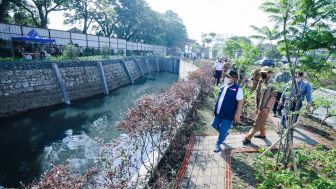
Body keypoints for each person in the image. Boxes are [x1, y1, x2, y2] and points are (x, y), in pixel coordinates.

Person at [243, 66, 277, 145]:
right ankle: (262, 134)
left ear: (270, 74)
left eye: (265, 73)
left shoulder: (272, 83)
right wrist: (257, 105)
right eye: (262, 73)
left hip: (265, 107)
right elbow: (258, 92)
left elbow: (273, 97)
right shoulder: (261, 80)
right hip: (259, 105)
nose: (263, 74)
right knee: (260, 120)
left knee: (257, 122)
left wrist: (267, 107)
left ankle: (248, 138)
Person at [212, 70, 244, 152]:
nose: (226, 78)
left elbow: (240, 102)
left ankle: (218, 143)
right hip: (218, 112)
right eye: (226, 76)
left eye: (228, 76)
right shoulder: (222, 86)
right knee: (214, 124)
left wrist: (238, 115)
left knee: (222, 130)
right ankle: (224, 134)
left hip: (228, 114)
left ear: (234, 78)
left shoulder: (237, 89)